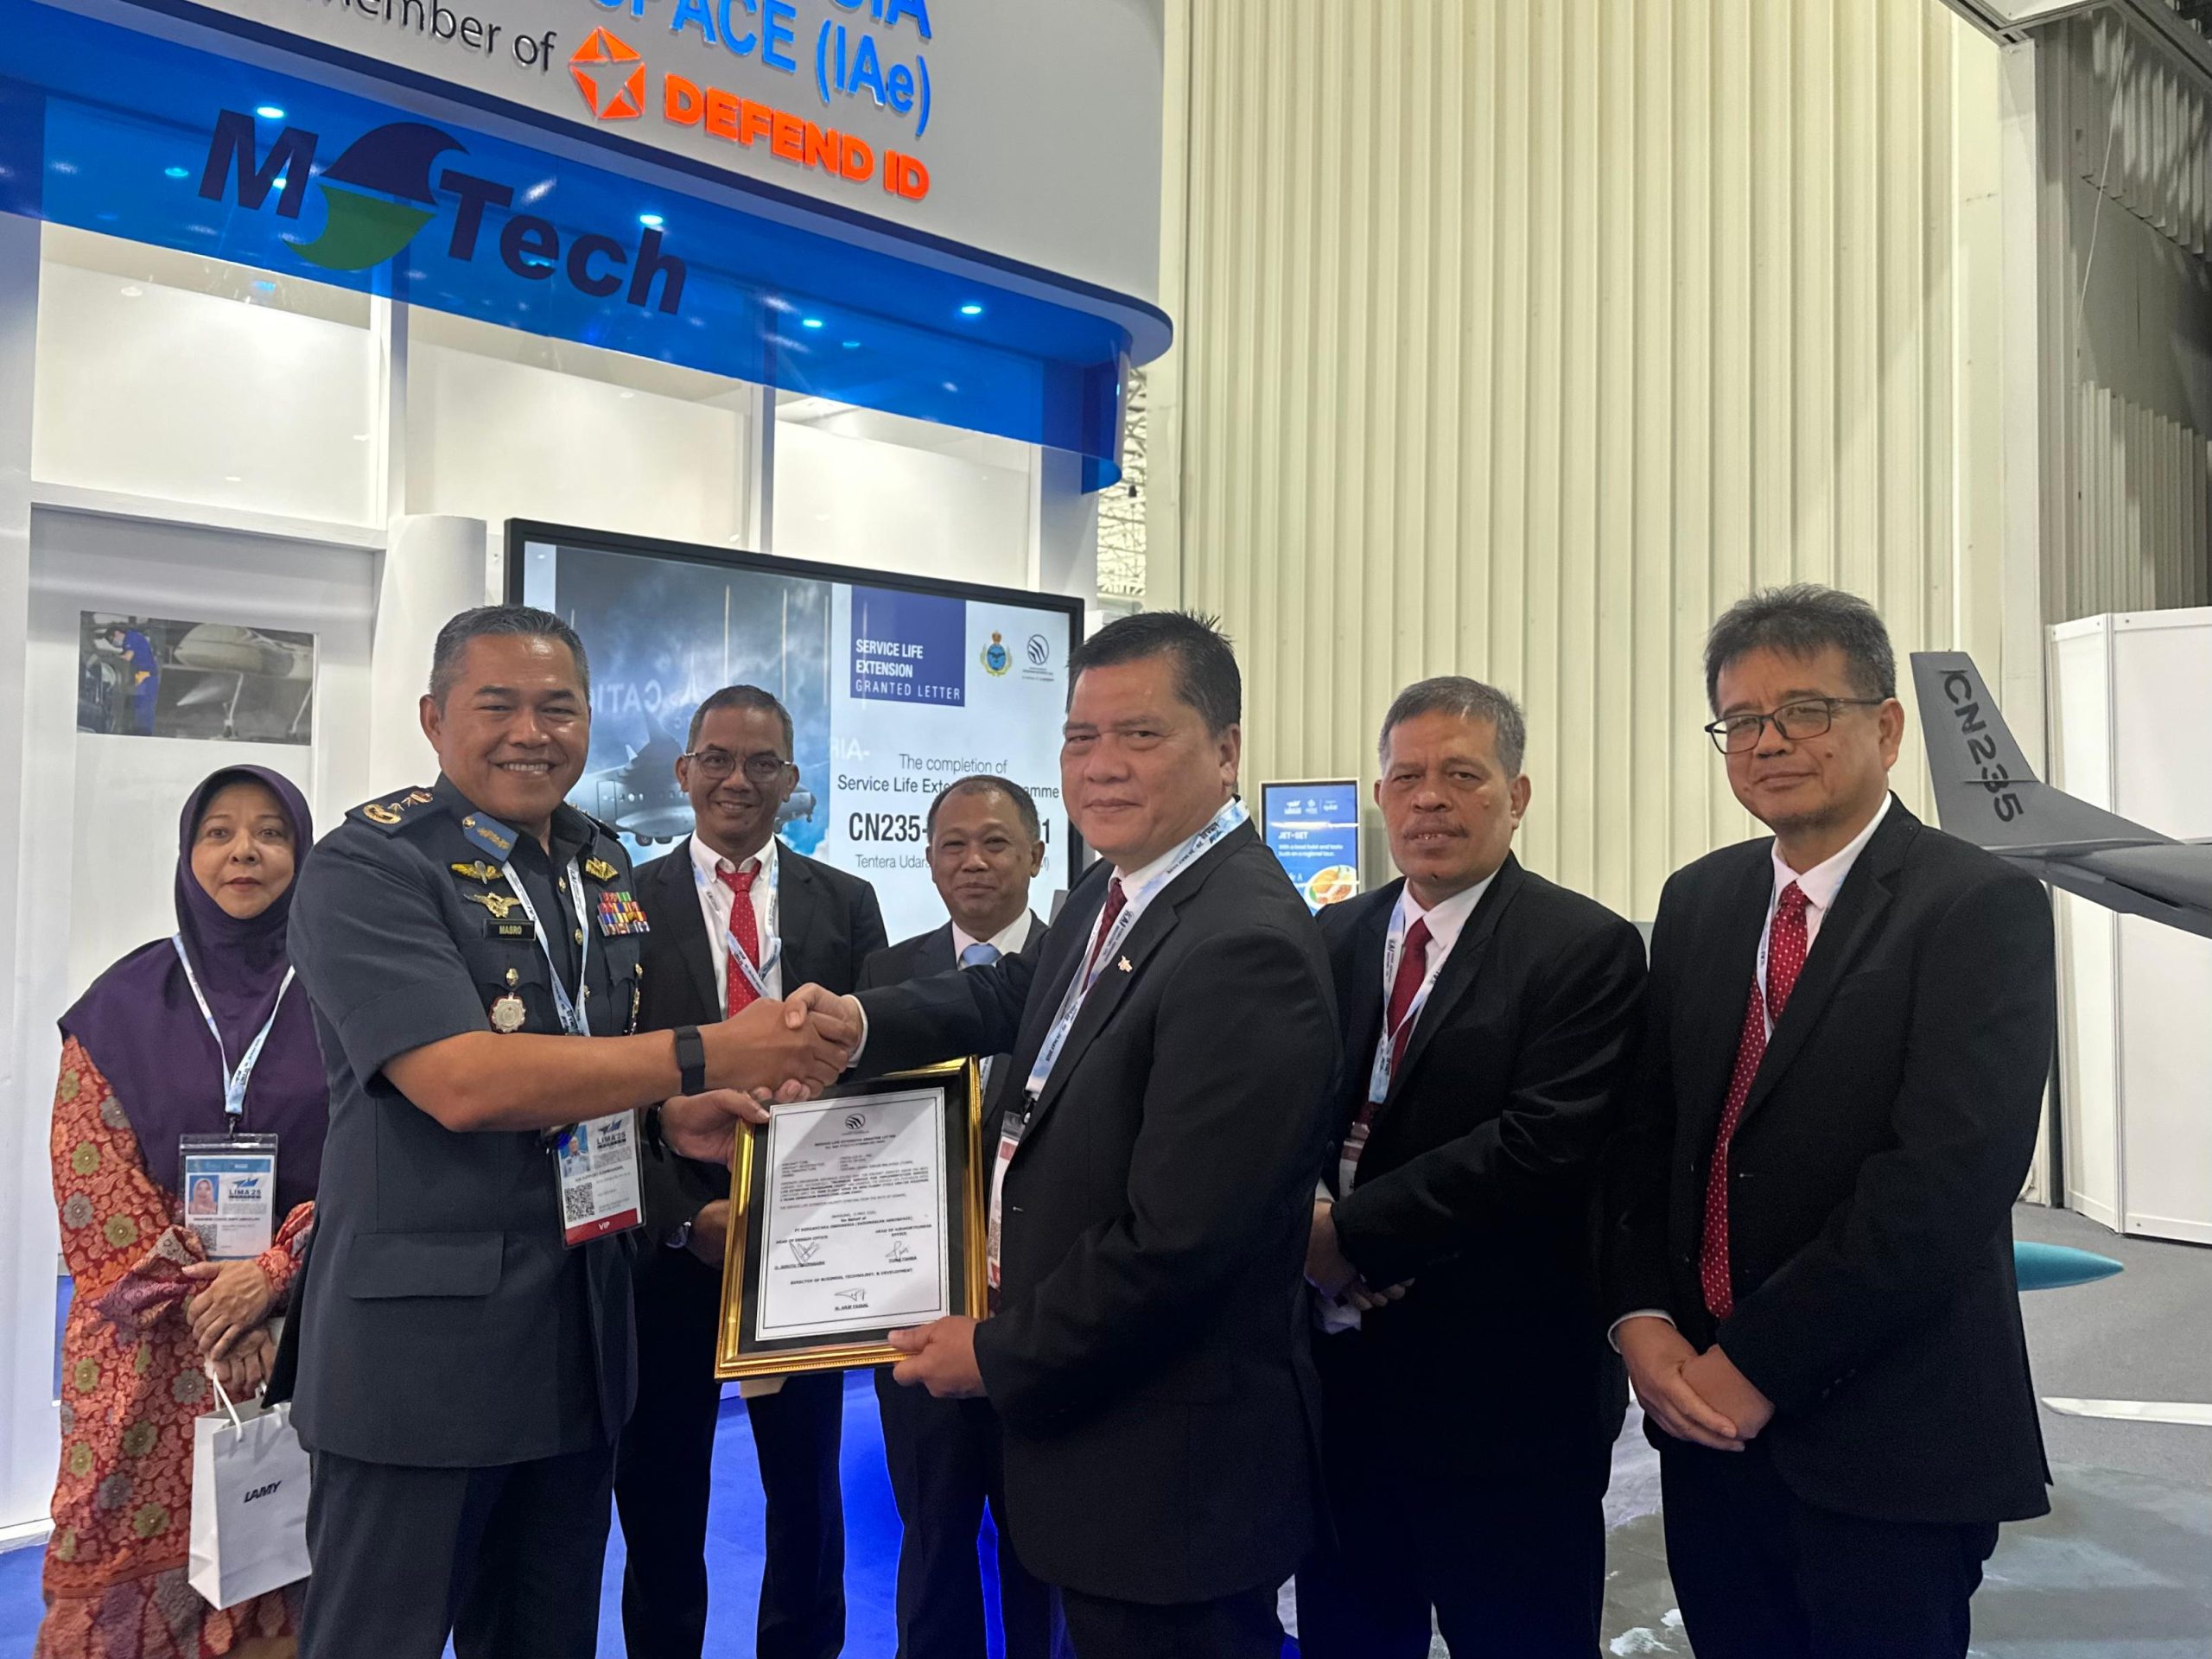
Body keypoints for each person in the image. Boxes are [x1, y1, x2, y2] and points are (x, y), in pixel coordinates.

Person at [278, 606, 851, 1659]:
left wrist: (665, 1117)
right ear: (434, 719)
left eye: (558, 708)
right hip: (423, 1359)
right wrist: (707, 1055)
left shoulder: (595, 863)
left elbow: (582, 1056)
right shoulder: (370, 866)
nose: (530, 733)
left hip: (579, 1337)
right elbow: (459, 1080)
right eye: (497, 706)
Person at [790, 611, 1338, 1659]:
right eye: (1081, 737)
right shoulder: (1119, 889)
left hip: (1169, 1473)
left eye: (1140, 734)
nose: (1101, 765)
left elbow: (1177, 1247)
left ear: (1225, 750)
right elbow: (1013, 995)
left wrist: (995, 1353)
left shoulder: (1243, 945)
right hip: (1102, 1441)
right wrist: (859, 1023)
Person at [1604, 585, 2055, 1659]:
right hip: (1706, 1430)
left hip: (1887, 1432)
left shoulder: (1975, 905)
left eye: (1803, 711)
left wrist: (1754, 1363)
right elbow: (1647, 1137)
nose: (1769, 742)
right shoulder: (1699, 901)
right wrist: (1638, 1318)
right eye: (1741, 721)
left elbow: (1943, 1184)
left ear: (1885, 728)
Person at [1295, 678, 1645, 1656]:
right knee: (1348, 1634)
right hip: (1341, 1385)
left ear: (1517, 795)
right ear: (1379, 795)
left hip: (1504, 1394)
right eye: (1406, 777)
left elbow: (1539, 1145)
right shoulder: (1329, 938)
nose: (1429, 800)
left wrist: (1347, 1239)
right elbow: (1282, 1112)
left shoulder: (1584, 948)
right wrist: (1306, 1222)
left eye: (1462, 775)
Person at [617, 683, 887, 1659]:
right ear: (684, 772)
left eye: (762, 763)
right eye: (718, 760)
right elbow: (604, 1083)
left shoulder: (846, 903)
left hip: (803, 1243)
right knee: (659, 1493)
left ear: (792, 780)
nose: (739, 780)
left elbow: (876, 1077)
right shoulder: (622, 904)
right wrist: (683, 1219)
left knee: (808, 1495)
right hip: (668, 1241)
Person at [41, 766, 326, 1659]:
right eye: (219, 832)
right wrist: (216, 1304)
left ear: (301, 853)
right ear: (187, 852)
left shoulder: (343, 995)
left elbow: (379, 1158)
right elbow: (91, 1181)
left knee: (289, 1576)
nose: (245, 851)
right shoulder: (120, 1005)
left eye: (271, 832)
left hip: (303, 1340)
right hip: (147, 1364)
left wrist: (272, 1277)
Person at [857, 776, 1059, 1659]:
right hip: (915, 1311)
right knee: (932, 1538)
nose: (974, 862)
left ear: (1036, 856)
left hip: (1037, 1319)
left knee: (1040, 1547)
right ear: (930, 861)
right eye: (953, 845)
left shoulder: (1078, 970)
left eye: (996, 843)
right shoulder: (886, 976)